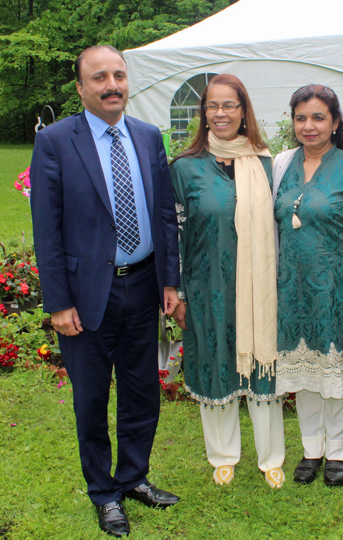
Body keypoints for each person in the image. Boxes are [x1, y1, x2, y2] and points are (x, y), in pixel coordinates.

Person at [30, 45, 181, 538]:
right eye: (100, 77)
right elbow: (47, 230)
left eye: (118, 75)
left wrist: (169, 281)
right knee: (91, 400)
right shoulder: (55, 141)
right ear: (81, 87)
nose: (112, 84)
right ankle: (104, 493)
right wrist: (58, 303)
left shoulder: (147, 136)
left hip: (142, 286)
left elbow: (163, 216)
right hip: (85, 295)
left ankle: (133, 477)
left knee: (142, 393)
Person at [170, 74, 286, 489]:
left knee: (263, 365)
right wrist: (178, 292)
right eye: (213, 106)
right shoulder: (185, 168)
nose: (220, 113)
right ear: (204, 113)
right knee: (214, 363)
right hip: (208, 287)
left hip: (260, 289)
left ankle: (271, 456)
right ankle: (222, 454)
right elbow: (176, 236)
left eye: (229, 105)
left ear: (243, 111)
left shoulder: (267, 163)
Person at [273, 84, 343, 488]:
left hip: (338, 289)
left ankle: (335, 451)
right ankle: (310, 450)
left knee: (335, 375)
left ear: (336, 122)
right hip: (292, 290)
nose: (309, 126)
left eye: (319, 117)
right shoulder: (282, 166)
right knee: (303, 375)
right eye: (301, 117)